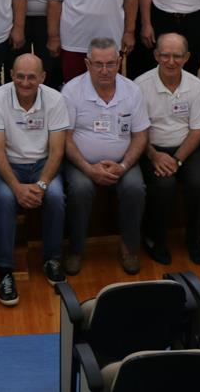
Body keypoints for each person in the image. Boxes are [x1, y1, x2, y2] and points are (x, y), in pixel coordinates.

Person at [0, 53, 70, 301]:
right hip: (8, 166)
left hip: (44, 165)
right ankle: (5, 271)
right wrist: (16, 187)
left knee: (55, 196)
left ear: (43, 77)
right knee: (4, 199)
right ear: (11, 75)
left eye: (31, 77)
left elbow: (57, 151)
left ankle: (52, 259)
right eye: (19, 76)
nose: (25, 82)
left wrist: (42, 185)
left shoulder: (55, 99)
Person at [62, 38, 149, 275]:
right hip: (81, 163)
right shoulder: (71, 91)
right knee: (80, 190)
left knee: (135, 188)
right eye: (98, 64)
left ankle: (129, 247)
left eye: (111, 64)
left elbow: (141, 136)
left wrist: (123, 165)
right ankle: (77, 249)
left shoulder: (133, 91)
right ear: (87, 63)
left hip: (124, 162)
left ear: (120, 62)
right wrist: (88, 169)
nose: (104, 70)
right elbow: (65, 138)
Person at [134, 33, 200, 265]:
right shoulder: (140, 86)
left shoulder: (196, 86)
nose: (171, 61)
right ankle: (154, 238)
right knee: (163, 186)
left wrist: (176, 160)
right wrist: (155, 155)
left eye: (177, 56)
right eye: (165, 55)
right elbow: (137, 132)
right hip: (150, 148)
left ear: (187, 57)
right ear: (156, 55)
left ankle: (195, 237)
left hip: (186, 148)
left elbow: (197, 131)